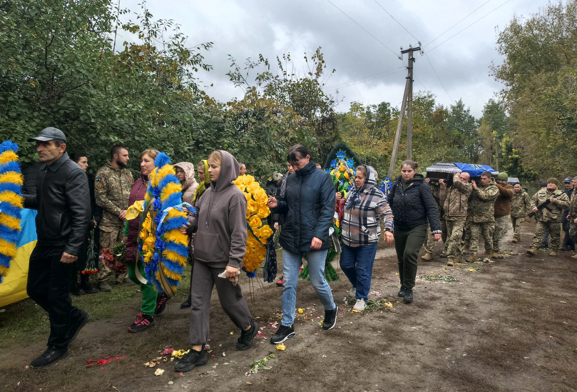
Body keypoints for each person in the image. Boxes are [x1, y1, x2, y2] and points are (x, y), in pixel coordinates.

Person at [175, 150, 257, 373]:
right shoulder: (206, 193)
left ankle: (248, 327)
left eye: (214, 166)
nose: (209, 170)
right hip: (201, 257)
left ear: (227, 168)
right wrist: (189, 224)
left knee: (229, 302)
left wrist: (234, 262)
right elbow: (197, 216)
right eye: (209, 166)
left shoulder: (235, 196)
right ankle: (197, 349)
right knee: (198, 304)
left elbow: (239, 233)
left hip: (223, 261)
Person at [23, 127, 91, 368]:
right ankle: (74, 316)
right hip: (44, 241)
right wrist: (13, 198)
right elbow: (41, 201)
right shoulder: (43, 170)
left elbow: (82, 213)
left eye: (45, 144)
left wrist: (72, 248)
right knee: (35, 289)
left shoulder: (73, 173)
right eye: (38, 144)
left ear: (61, 147)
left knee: (57, 295)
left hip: (64, 244)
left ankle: (57, 345)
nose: (39, 148)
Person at [268, 144, 338, 342]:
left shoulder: (323, 178)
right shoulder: (289, 179)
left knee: (317, 281)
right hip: (291, 236)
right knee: (289, 282)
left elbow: (327, 209)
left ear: (308, 157)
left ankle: (331, 308)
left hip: (314, 237)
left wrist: (319, 235)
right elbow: (288, 205)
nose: (294, 167)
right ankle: (287, 324)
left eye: (296, 163)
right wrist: (277, 205)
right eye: (291, 164)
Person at [340, 165, 394, 311]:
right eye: (355, 177)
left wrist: (388, 229)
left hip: (367, 240)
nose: (356, 180)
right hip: (348, 239)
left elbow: (387, 214)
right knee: (346, 265)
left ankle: (361, 298)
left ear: (368, 179)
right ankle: (358, 285)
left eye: (360, 178)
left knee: (363, 269)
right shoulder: (352, 191)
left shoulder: (377, 195)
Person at [388, 160, 441, 304]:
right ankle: (403, 285)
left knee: (409, 253)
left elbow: (431, 207)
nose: (406, 174)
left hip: (417, 226)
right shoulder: (397, 184)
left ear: (415, 171)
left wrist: (436, 228)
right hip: (399, 226)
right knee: (401, 257)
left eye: (409, 171)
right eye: (404, 171)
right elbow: (389, 202)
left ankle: (409, 287)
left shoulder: (422, 186)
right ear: (401, 171)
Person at [124, 149, 163, 332]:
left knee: (146, 275)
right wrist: (126, 230)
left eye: (146, 160)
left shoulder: (164, 184)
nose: (142, 164)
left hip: (152, 236)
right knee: (133, 274)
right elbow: (131, 207)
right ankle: (160, 292)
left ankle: (147, 314)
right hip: (134, 233)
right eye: (141, 160)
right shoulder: (139, 182)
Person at [94, 145, 134, 291]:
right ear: (115, 156)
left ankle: (122, 276)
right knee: (107, 250)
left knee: (123, 248)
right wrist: (119, 211)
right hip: (109, 220)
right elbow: (100, 198)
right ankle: (103, 279)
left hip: (125, 219)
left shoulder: (128, 173)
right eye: (125, 155)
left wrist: (129, 211)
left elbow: (132, 195)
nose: (128, 158)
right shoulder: (103, 173)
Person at [180, 160, 210, 309]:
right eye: (198, 173)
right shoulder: (201, 189)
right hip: (196, 231)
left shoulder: (208, 189)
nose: (200, 176)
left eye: (202, 173)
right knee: (196, 265)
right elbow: (196, 212)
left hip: (210, 235)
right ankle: (194, 297)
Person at [69, 152, 98, 296]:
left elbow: (92, 201)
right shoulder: (69, 180)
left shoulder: (88, 179)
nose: (87, 165)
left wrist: (94, 218)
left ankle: (85, 282)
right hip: (74, 224)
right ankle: (73, 284)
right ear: (74, 164)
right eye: (83, 162)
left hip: (88, 221)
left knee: (87, 253)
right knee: (75, 254)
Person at [527, 178, 570, 257]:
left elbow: (567, 204)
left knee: (555, 235)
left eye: (552, 183)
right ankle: (534, 248)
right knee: (538, 233)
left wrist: (556, 201)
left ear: (556, 185)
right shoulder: (540, 192)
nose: (550, 184)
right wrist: (534, 207)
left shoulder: (561, 194)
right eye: (549, 183)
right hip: (541, 217)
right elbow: (532, 200)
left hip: (554, 218)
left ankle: (554, 250)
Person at [439, 172, 472, 266]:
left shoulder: (468, 187)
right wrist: (442, 186)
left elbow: (457, 183)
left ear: (468, 180)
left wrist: (455, 175)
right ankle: (459, 257)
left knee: (455, 236)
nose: (461, 179)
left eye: (464, 179)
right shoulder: (451, 187)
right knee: (451, 237)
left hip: (460, 216)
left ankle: (450, 257)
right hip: (448, 215)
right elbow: (442, 198)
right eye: (460, 177)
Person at [465, 172, 499, 263]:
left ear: (489, 179)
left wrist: (476, 188)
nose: (482, 180)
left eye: (484, 179)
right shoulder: (478, 186)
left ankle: (489, 252)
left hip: (486, 218)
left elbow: (485, 197)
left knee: (487, 237)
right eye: (481, 178)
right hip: (475, 217)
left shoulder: (494, 188)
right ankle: (473, 255)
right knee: (474, 236)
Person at [275, 162, 296, 287]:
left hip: (301, 222)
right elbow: (279, 200)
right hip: (286, 219)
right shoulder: (284, 181)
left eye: (292, 165)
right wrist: (277, 220)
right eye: (288, 165)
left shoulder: (302, 180)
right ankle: (287, 276)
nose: (290, 168)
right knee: (288, 247)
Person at [422, 178, 446, 261]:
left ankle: (429, 252)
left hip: (436, 214)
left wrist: (442, 185)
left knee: (432, 232)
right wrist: (425, 184)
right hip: (424, 213)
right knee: (425, 233)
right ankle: (428, 251)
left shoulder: (442, 187)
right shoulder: (423, 185)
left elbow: (443, 197)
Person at [492, 172, 514, 258]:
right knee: (491, 233)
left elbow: (508, 193)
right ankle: (490, 249)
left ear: (506, 181)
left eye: (502, 180)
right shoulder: (493, 187)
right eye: (498, 180)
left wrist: (497, 186)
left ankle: (496, 250)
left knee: (498, 233)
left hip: (503, 214)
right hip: (492, 214)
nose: (500, 181)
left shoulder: (510, 188)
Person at [560, 177, 575, 251]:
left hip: (573, 212)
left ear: (572, 183)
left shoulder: (574, 191)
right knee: (564, 227)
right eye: (565, 183)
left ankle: (566, 245)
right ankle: (570, 246)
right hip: (565, 211)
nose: (567, 184)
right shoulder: (564, 191)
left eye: (568, 183)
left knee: (569, 228)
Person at [567, 177, 577, 259]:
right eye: (573, 182)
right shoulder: (574, 191)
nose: (573, 184)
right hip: (573, 216)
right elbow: (572, 204)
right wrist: (570, 214)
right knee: (572, 233)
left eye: (575, 182)